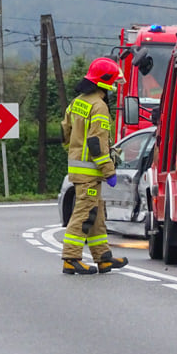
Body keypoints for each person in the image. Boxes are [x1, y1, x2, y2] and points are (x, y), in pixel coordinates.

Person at [61, 57, 129, 275]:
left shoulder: (77, 102)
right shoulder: (99, 106)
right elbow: (97, 143)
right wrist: (109, 170)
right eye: (114, 83)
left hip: (79, 169)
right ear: (105, 82)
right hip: (90, 171)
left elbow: (65, 133)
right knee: (84, 213)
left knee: (96, 214)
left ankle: (103, 257)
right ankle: (71, 258)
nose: (115, 88)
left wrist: (74, 154)